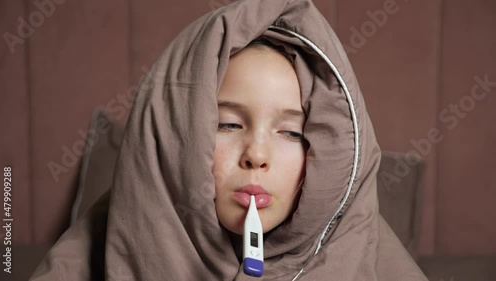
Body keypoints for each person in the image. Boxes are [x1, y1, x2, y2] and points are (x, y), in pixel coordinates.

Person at [30, 0, 428, 280]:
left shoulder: (368, 251)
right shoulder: (93, 244)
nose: (256, 155)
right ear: (178, 133)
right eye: (228, 125)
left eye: (291, 132)